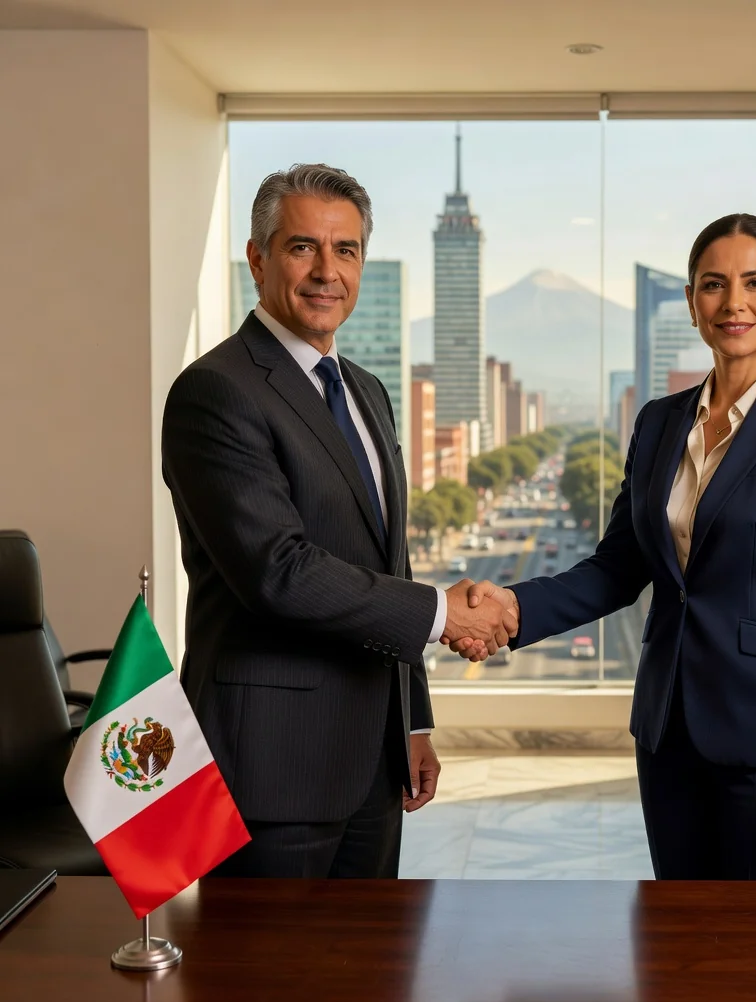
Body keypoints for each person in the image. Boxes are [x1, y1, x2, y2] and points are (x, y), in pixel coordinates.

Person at [448, 214, 756, 880]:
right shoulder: (658, 423)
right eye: (714, 284)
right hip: (667, 737)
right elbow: (618, 568)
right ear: (691, 300)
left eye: (755, 283)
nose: (734, 303)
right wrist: (512, 607)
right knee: (676, 937)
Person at [162, 163, 515, 879]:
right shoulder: (216, 391)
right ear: (258, 259)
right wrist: (443, 613)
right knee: (267, 957)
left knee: (369, 955)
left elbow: (389, 563)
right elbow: (278, 572)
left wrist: (413, 719)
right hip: (272, 763)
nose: (328, 271)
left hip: (374, 761)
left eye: (345, 250)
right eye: (303, 247)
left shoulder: (367, 390)